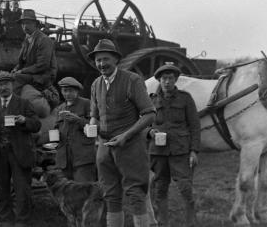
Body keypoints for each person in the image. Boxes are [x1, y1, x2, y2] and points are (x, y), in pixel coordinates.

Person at [88, 39, 156, 227]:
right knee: (110, 194)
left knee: (135, 193)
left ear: (116, 59)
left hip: (130, 146)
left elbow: (149, 114)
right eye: (98, 60)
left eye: (105, 59)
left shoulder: (132, 80)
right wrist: (91, 125)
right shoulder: (95, 84)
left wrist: (126, 135)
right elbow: (94, 115)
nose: (101, 64)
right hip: (104, 148)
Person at [0, 72, 41, 227]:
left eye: (6, 84)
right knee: (1, 191)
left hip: (20, 153)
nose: (3, 88)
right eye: (0, 85)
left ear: (12, 85)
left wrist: (24, 120)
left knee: (22, 190)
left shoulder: (24, 103)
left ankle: (22, 222)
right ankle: (5, 220)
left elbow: (36, 125)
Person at [148, 64, 201, 227]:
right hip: (158, 152)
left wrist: (194, 151)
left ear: (176, 80)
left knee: (185, 188)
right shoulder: (151, 100)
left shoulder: (185, 98)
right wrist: (150, 132)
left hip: (180, 151)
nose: (167, 82)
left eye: (170, 78)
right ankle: (162, 223)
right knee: (160, 188)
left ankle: (191, 223)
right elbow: (143, 124)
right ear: (159, 80)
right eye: (164, 79)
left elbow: (194, 126)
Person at [51, 77, 96, 182]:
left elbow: (95, 127)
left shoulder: (86, 104)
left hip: (83, 158)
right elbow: (56, 127)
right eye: (64, 91)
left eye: (70, 90)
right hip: (64, 159)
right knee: (68, 193)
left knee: (84, 190)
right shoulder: (60, 108)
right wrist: (54, 136)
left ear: (77, 91)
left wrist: (78, 120)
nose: (67, 94)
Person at [12, 9, 59, 107]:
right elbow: (22, 62)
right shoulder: (27, 39)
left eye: (28, 23)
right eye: (23, 24)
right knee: (10, 75)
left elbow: (42, 65)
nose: (25, 26)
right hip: (32, 74)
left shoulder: (43, 40)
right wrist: (16, 69)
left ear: (35, 24)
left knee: (16, 79)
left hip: (43, 76)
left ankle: (14, 107)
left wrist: (21, 71)